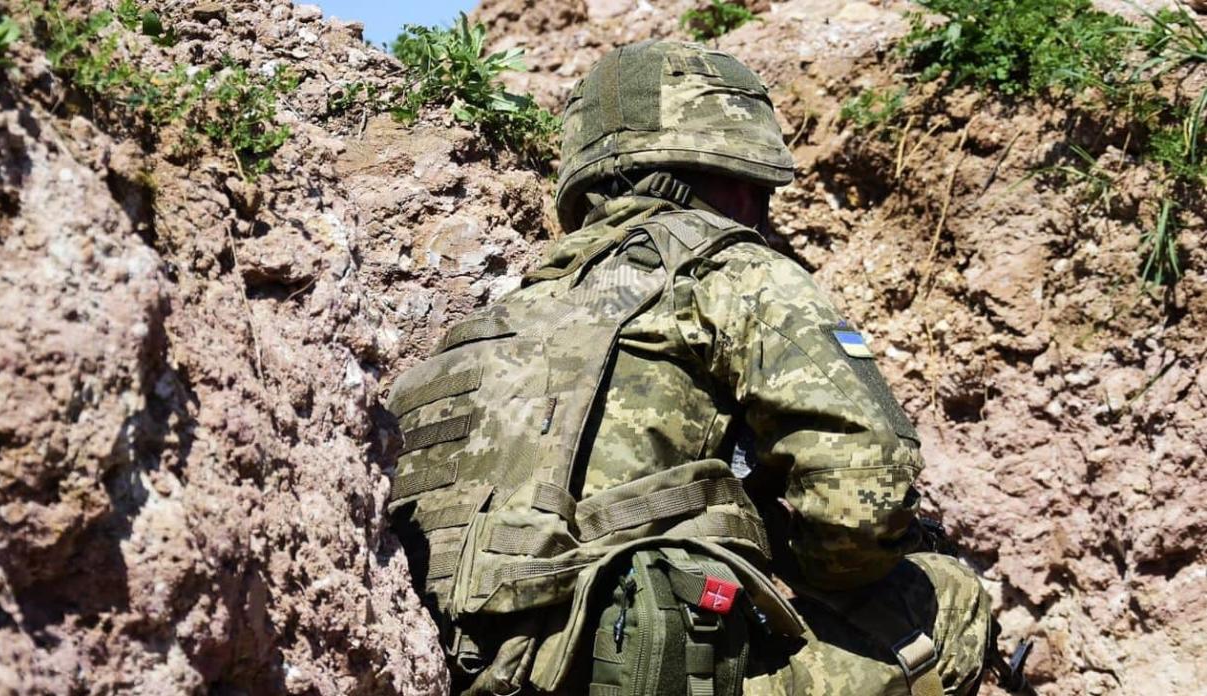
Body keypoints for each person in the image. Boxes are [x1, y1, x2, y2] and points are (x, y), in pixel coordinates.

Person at [386, 40, 1022, 695]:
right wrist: (813, 572)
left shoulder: (480, 330)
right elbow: (863, 487)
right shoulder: (727, 271)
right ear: (719, 175)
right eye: (755, 187)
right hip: (640, 675)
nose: (761, 211)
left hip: (477, 675)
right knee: (945, 598)